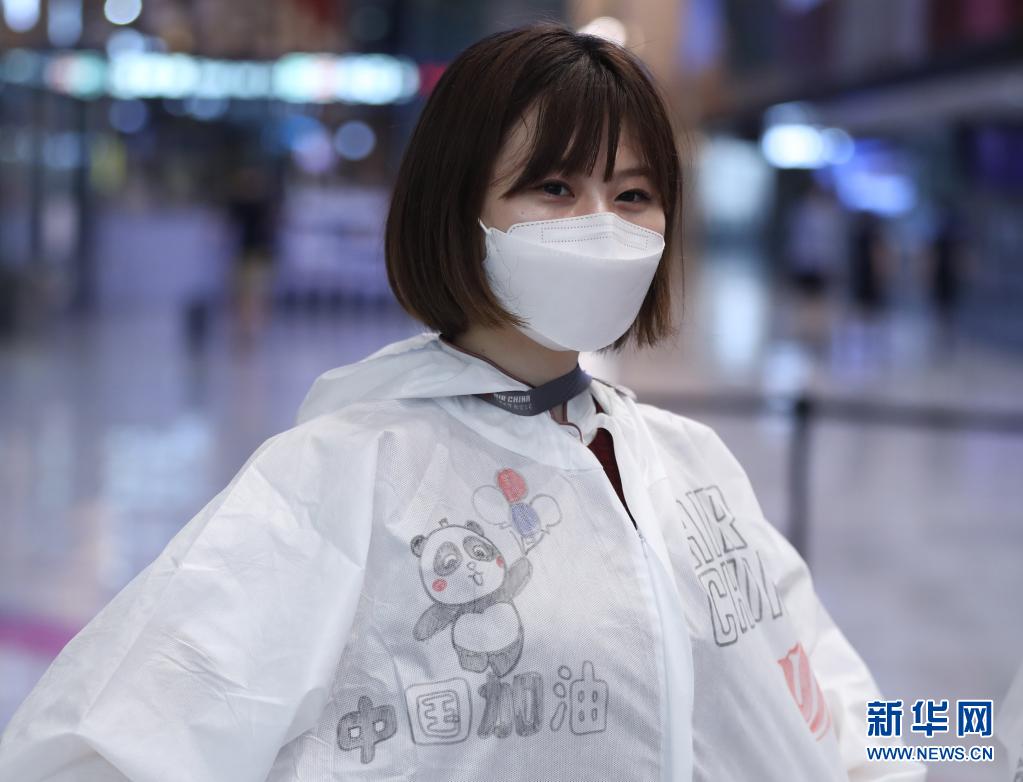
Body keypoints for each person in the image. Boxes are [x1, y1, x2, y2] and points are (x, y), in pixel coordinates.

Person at [0, 22, 925, 782]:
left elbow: (843, 707)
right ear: (457, 208)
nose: (603, 225)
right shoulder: (340, 476)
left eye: (633, 193)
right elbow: (104, 746)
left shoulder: (690, 465)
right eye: (554, 187)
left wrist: (970, 736)